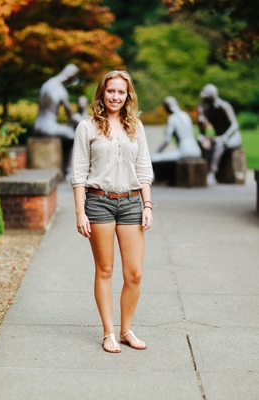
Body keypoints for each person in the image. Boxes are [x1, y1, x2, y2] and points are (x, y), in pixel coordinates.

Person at [70, 70, 153, 353]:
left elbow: (143, 170)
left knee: (135, 273)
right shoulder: (87, 127)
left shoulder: (135, 127)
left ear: (128, 95)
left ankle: (127, 329)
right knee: (105, 270)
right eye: (111, 91)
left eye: (121, 92)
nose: (115, 96)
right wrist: (80, 212)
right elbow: (79, 174)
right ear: (102, 93)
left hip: (131, 203)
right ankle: (109, 333)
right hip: (99, 203)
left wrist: (148, 206)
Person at [34, 64, 80, 177]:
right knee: (74, 134)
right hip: (48, 127)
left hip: (38, 125)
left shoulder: (47, 84)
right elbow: (71, 116)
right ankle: (69, 172)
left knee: (66, 132)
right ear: (70, 76)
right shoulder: (60, 89)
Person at [197, 84, 242, 186]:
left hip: (232, 137)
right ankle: (204, 170)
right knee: (201, 140)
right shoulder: (207, 109)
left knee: (220, 144)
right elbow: (202, 131)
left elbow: (235, 125)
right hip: (219, 137)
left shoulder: (224, 106)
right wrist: (200, 115)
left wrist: (224, 137)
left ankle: (212, 173)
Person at [151, 96, 201, 163]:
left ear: (167, 107)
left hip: (184, 152)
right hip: (196, 151)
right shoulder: (186, 115)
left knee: (153, 158)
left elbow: (166, 140)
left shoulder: (172, 118)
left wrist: (156, 153)